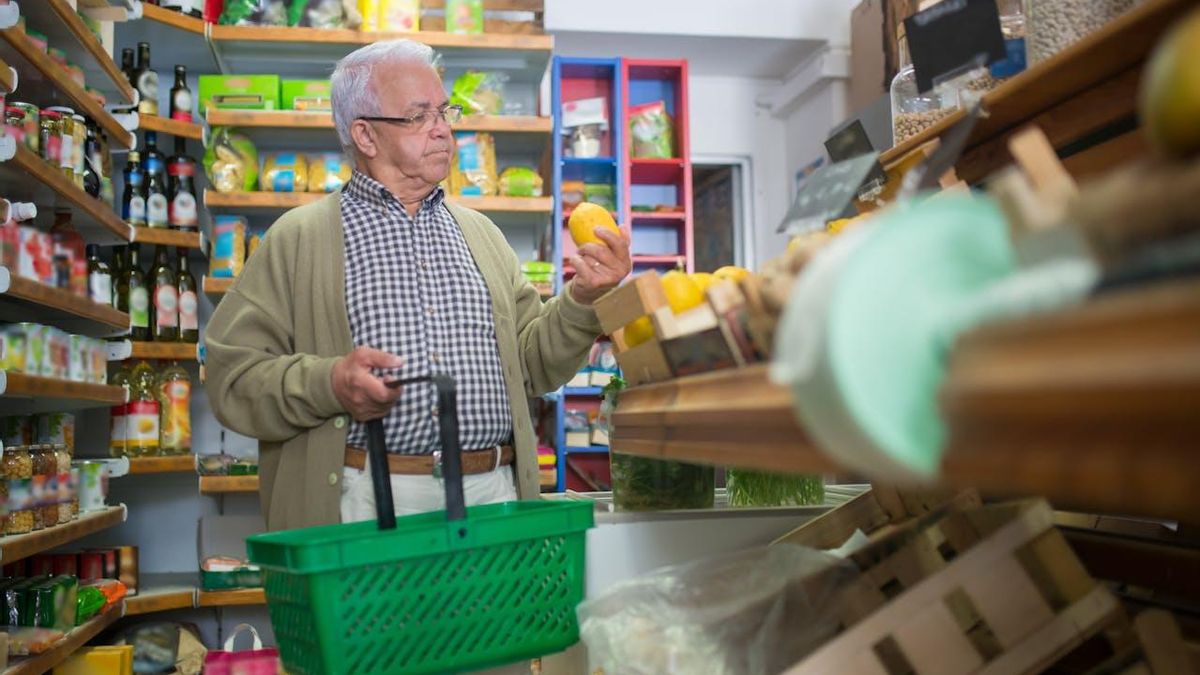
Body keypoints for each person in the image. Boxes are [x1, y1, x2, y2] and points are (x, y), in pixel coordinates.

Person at [204, 39, 631, 531]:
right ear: (365, 135)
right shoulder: (297, 239)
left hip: (492, 492)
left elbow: (532, 365)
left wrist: (581, 300)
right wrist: (331, 383)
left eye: (444, 111)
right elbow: (232, 378)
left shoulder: (482, 234)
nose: (444, 130)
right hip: (363, 499)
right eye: (419, 116)